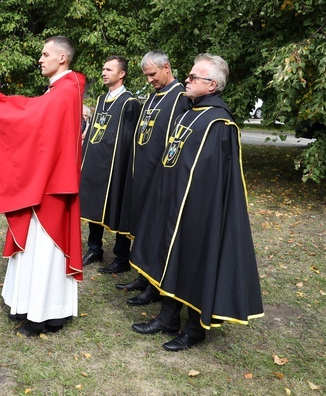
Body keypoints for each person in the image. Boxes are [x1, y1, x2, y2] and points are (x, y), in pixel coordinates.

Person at [129, 53, 263, 351]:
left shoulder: (219, 123)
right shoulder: (190, 112)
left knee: (195, 262)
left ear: (212, 85)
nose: (186, 81)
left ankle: (194, 329)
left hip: (199, 211)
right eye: (188, 76)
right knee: (171, 258)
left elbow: (216, 179)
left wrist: (197, 210)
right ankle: (167, 317)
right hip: (172, 203)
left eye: (192, 77)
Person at [0, 35, 85, 336]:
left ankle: (41, 316)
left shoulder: (65, 91)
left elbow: (29, 119)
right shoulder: (62, 89)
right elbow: (34, 111)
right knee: (37, 249)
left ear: (62, 58)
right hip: (48, 180)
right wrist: (0, 99)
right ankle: (37, 308)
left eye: (46, 54)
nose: (40, 59)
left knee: (44, 250)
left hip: (50, 185)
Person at [115, 51, 189, 304]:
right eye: (146, 76)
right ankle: (142, 275)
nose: (149, 80)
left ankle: (154, 287)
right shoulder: (153, 97)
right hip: (141, 176)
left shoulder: (180, 98)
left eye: (153, 74)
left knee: (157, 233)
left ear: (166, 67)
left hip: (160, 179)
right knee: (142, 230)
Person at [79, 56, 141, 274]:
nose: (104, 72)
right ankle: (94, 248)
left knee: (118, 207)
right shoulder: (102, 98)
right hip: (97, 163)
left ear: (121, 73)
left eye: (109, 69)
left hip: (117, 167)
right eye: (103, 68)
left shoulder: (129, 102)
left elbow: (129, 139)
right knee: (94, 205)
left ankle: (122, 256)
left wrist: (123, 168)